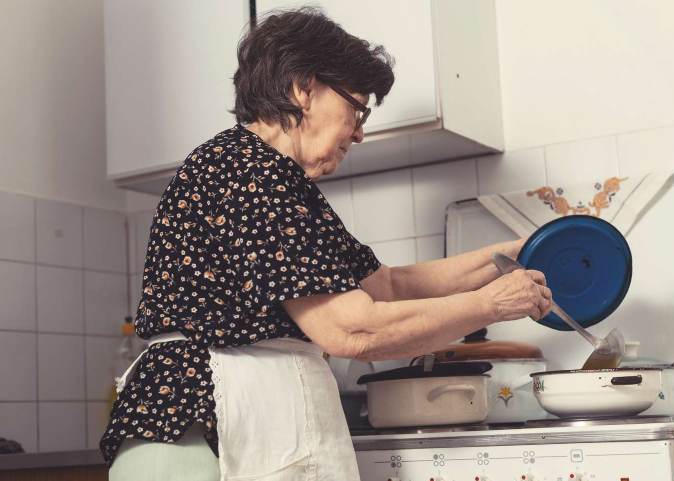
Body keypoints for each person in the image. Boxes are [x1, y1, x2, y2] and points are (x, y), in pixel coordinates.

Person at [102, 7, 552, 481]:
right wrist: (491, 305)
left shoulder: (279, 184)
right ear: (303, 87)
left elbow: (390, 287)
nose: (359, 130)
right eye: (356, 108)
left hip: (207, 427)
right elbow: (352, 331)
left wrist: (514, 254)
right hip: (195, 434)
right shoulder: (248, 173)